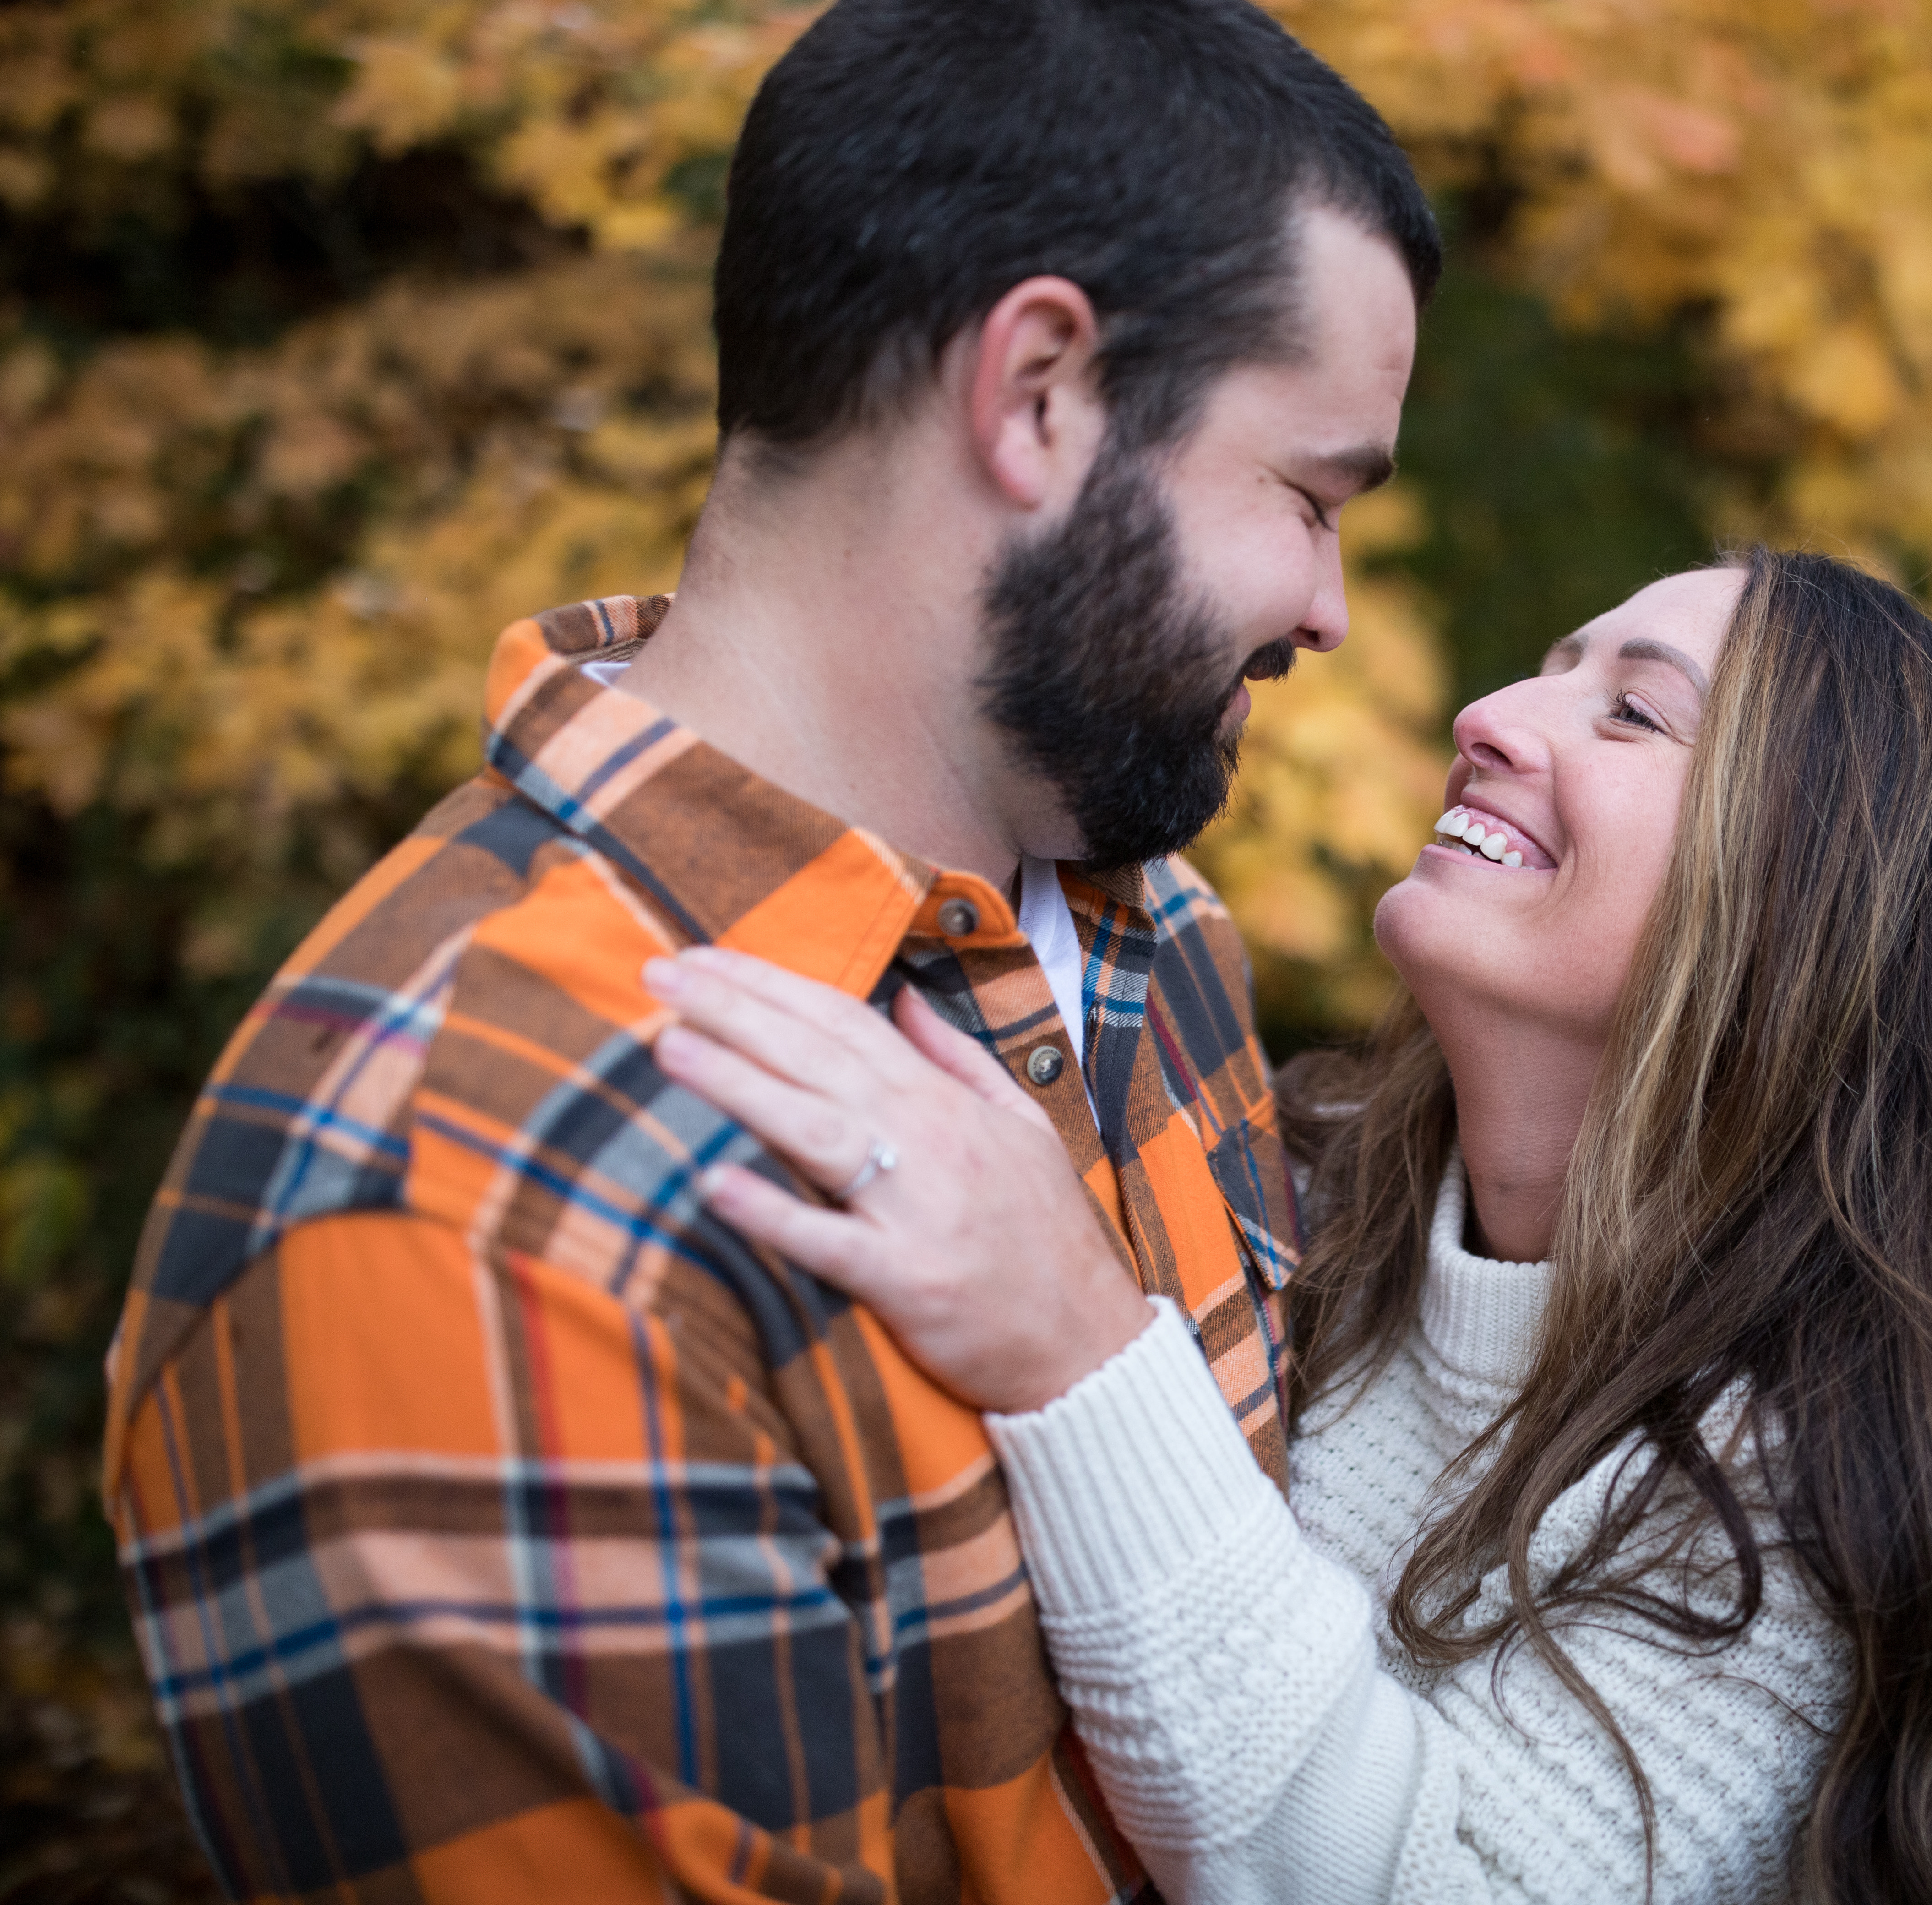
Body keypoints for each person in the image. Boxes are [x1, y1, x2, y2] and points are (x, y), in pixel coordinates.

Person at [101, 3, 1437, 1900]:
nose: (1331, 609)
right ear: (1040, 393)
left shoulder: (1160, 938)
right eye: (1307, 496)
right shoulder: (457, 1206)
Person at [642, 548, 1932, 1904]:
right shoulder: (1290, 1176)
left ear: (1805, 909)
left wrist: (1077, 1349)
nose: (1490, 714)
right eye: (1551, 666)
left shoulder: (1820, 1481)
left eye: (1631, 713)